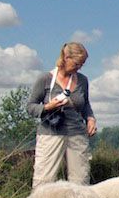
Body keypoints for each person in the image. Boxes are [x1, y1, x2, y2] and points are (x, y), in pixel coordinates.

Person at [27, 42, 96, 188]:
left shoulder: (82, 80)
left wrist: (90, 118)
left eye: (82, 64)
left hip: (77, 133)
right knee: (44, 180)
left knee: (81, 182)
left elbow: (86, 104)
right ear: (66, 57)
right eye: (77, 63)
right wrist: (47, 107)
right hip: (50, 133)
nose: (79, 68)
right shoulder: (44, 79)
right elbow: (30, 107)